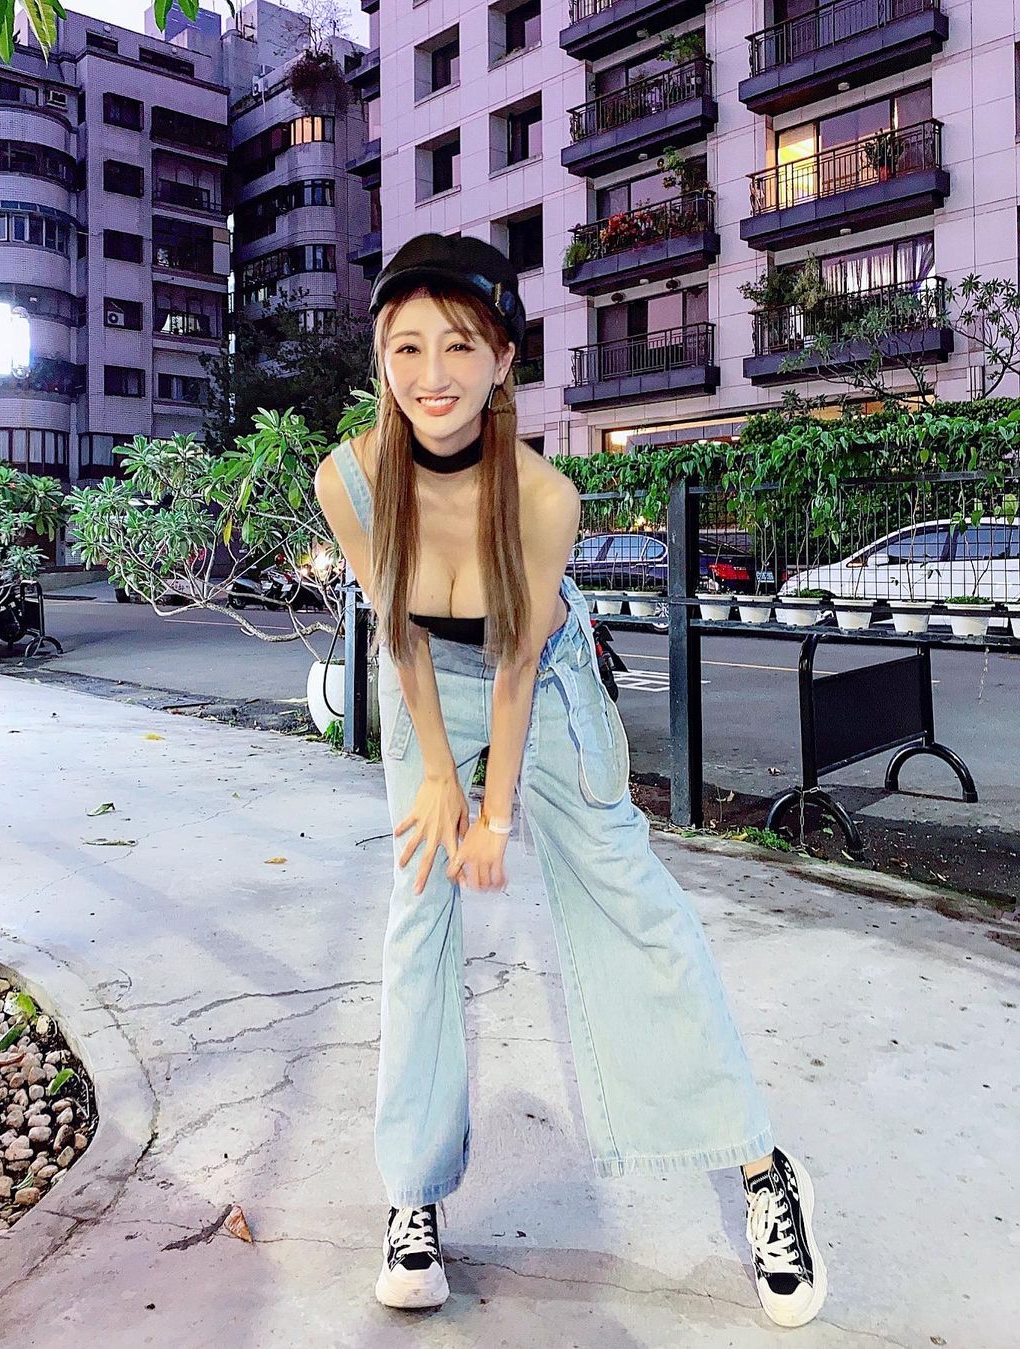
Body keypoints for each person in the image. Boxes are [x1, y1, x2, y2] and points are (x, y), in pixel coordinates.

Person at [314, 232, 826, 1328]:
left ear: (505, 358)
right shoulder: (349, 478)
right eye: (407, 346)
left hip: (537, 676)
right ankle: (413, 1194)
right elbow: (399, 628)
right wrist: (439, 775)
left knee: (629, 902)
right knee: (417, 910)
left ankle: (761, 1165)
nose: (432, 373)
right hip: (425, 681)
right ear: (380, 356)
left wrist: (494, 812)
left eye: (461, 344)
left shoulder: (543, 496)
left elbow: (514, 657)